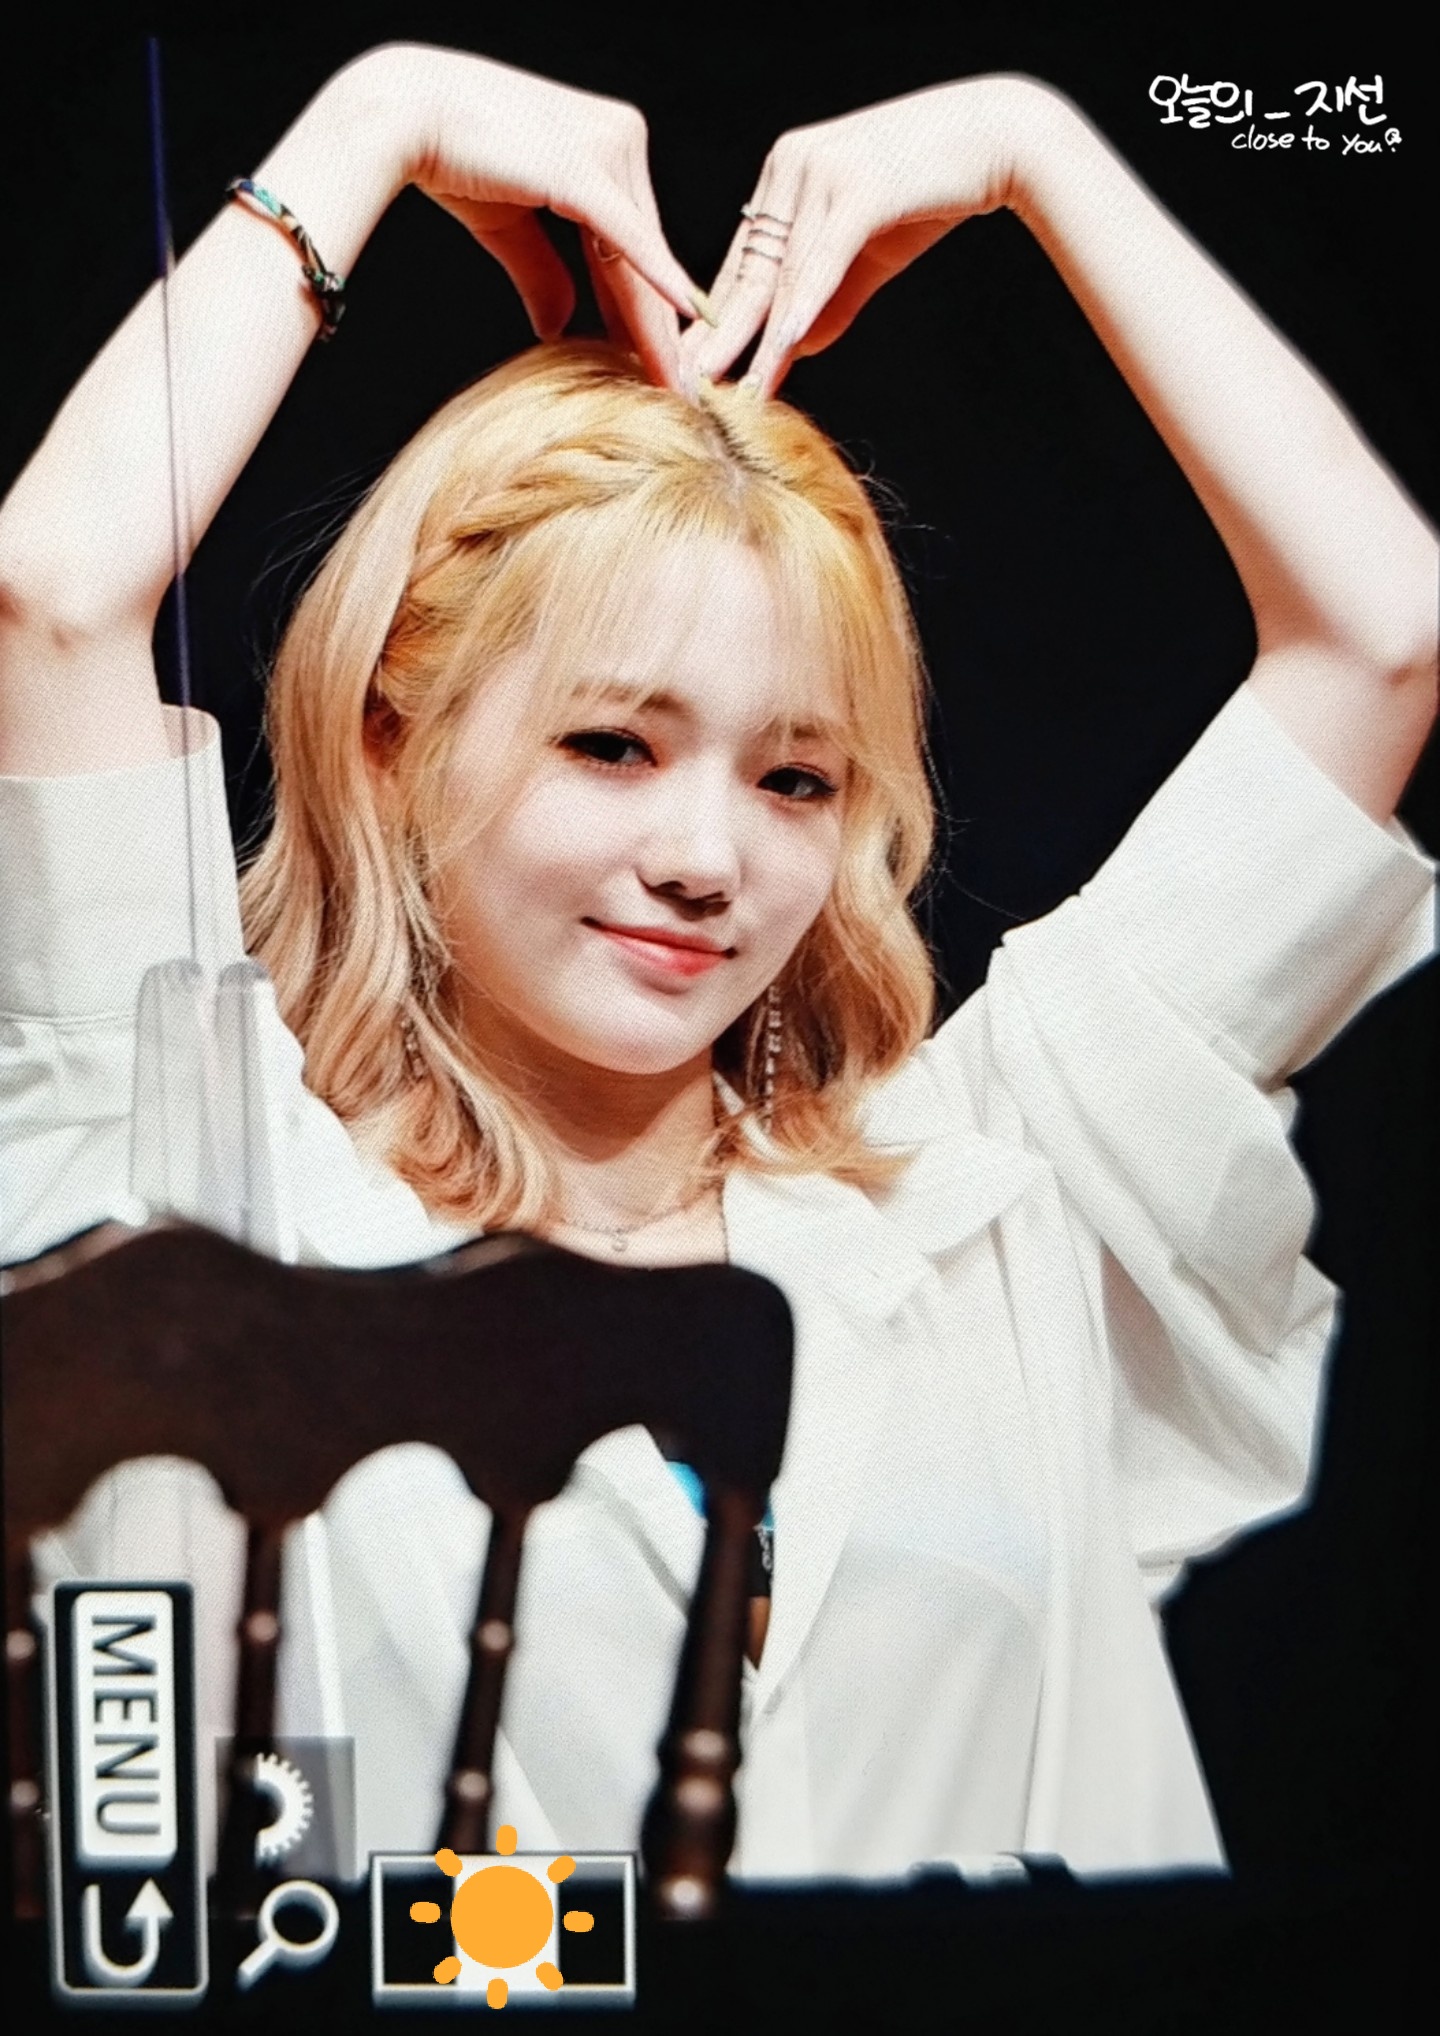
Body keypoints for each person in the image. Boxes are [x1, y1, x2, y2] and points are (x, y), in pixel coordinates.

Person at [0, 44, 1434, 1883]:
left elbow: (1382, 637)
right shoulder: (217, 1196)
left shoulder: (994, 1193)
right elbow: (56, 590)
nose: (706, 857)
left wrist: (1033, 148)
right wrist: (377, 119)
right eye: (612, 745)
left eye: (794, 778)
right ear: (388, 737)